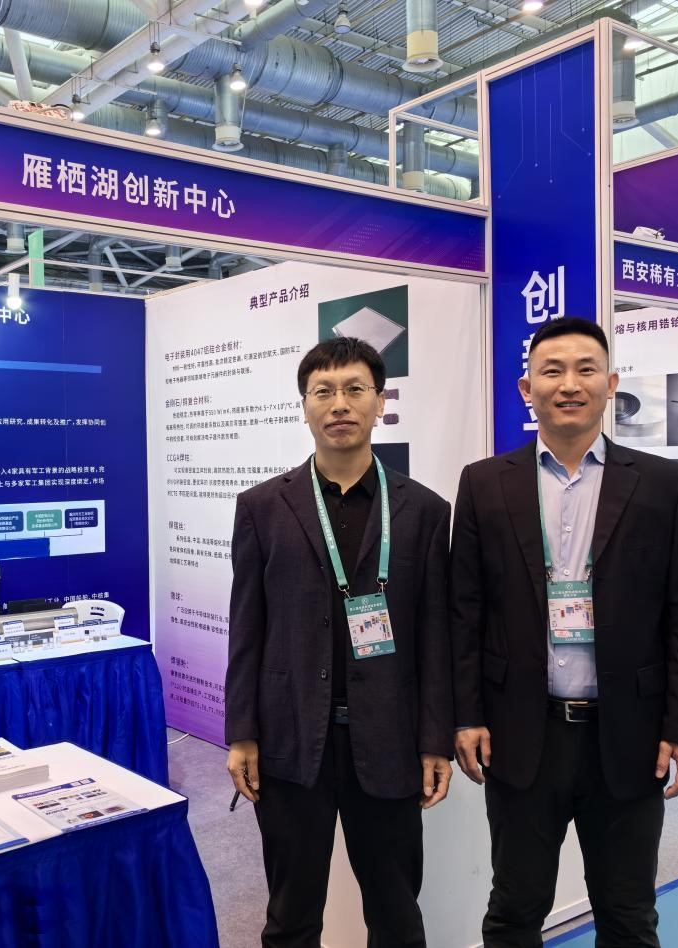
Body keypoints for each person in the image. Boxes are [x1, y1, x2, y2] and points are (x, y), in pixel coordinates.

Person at [449, 317, 678, 947]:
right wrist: (467, 714)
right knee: (515, 909)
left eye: (586, 369)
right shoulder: (484, 483)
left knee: (628, 913)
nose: (570, 384)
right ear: (527, 388)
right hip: (521, 732)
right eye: (552, 371)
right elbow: (465, 611)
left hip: (630, 734)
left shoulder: (663, 484)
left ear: (611, 383)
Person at [225, 336, 454, 948]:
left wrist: (435, 739)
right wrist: (241, 732)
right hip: (291, 741)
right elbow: (246, 629)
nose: (339, 404)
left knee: (397, 916)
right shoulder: (262, 508)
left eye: (355, 390)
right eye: (323, 392)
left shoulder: (425, 511)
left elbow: (436, 636)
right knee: (291, 916)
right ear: (304, 406)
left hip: (389, 740)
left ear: (381, 402)